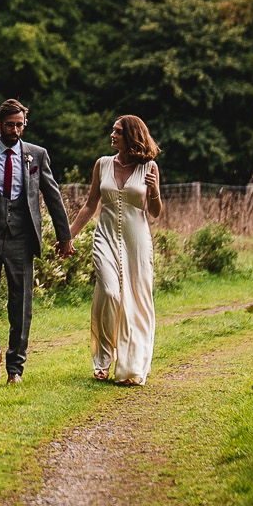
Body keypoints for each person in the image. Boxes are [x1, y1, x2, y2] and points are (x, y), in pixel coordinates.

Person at [0, 98, 72, 386]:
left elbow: (53, 196)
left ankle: (15, 369)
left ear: (25, 123)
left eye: (20, 125)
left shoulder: (37, 155)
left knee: (21, 306)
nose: (16, 130)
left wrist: (65, 236)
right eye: (10, 125)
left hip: (22, 238)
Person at [68, 115, 164, 384]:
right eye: (113, 131)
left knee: (135, 302)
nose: (112, 135)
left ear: (132, 136)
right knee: (109, 293)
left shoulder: (150, 167)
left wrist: (154, 191)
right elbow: (90, 205)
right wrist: (68, 236)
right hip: (105, 237)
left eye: (118, 132)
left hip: (137, 242)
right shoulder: (102, 164)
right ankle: (103, 357)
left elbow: (155, 213)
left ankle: (131, 363)